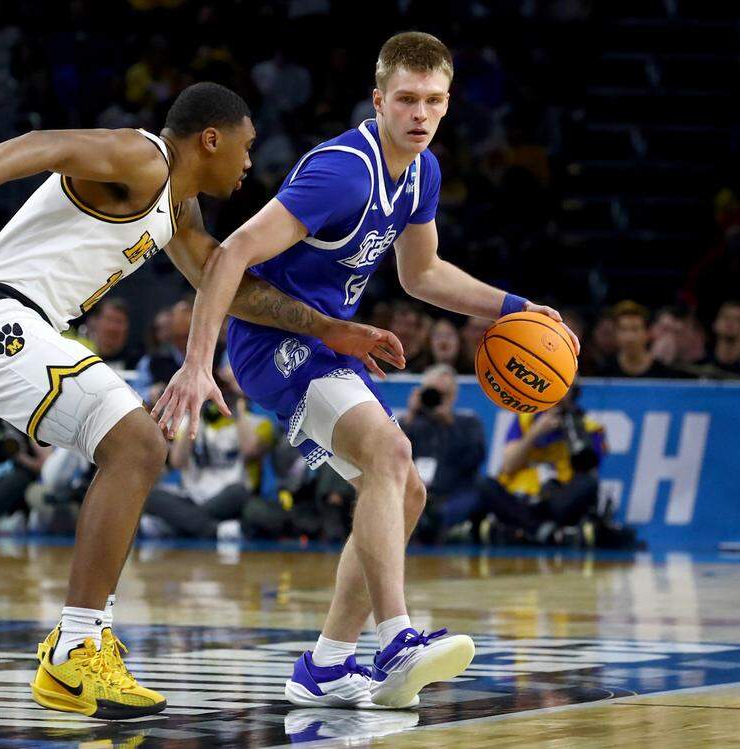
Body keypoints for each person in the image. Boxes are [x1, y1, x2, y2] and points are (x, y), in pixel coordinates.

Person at [0, 81, 403, 720]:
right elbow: (49, 144)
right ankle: (76, 648)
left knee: (136, 447)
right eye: (244, 148)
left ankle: (84, 642)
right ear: (209, 139)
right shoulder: (145, 157)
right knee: (137, 442)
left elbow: (229, 282)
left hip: (17, 328)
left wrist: (326, 328)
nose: (249, 164)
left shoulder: (178, 213)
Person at [154, 32, 579, 710]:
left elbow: (423, 274)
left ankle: (324, 663)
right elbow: (230, 254)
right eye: (406, 99)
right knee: (392, 451)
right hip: (271, 340)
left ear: (446, 104)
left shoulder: (424, 172)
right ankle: (397, 637)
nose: (419, 113)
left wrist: (516, 307)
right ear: (378, 100)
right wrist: (196, 363)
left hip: (332, 344)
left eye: (433, 101)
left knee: (404, 489)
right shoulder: (343, 170)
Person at [142, 373, 274, 540]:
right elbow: (177, 461)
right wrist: (193, 415)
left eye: (222, 393)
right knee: (150, 496)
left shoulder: (258, 423)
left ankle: (178, 524)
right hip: (191, 497)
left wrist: (238, 411)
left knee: (239, 493)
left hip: (229, 497)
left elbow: (249, 449)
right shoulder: (191, 423)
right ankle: (215, 530)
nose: (216, 399)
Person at [474, 384, 606, 545]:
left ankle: (532, 530)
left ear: (573, 392)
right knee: (485, 485)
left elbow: (589, 472)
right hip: (525, 498)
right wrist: (535, 433)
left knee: (588, 484)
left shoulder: (589, 426)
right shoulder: (525, 418)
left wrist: (575, 434)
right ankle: (545, 531)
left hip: (559, 498)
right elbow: (508, 465)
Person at [400, 364, 486, 543]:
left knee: (443, 513)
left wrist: (449, 423)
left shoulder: (467, 423)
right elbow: (392, 457)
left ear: (453, 395)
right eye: (433, 392)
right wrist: (410, 416)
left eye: (444, 394)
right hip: (413, 491)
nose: (437, 399)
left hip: (452, 493)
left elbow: (474, 460)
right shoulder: (410, 423)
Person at [595, 301, 686, 378]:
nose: (629, 337)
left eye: (635, 329)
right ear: (616, 334)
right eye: (623, 329)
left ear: (647, 333)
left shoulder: (664, 374)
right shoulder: (604, 372)